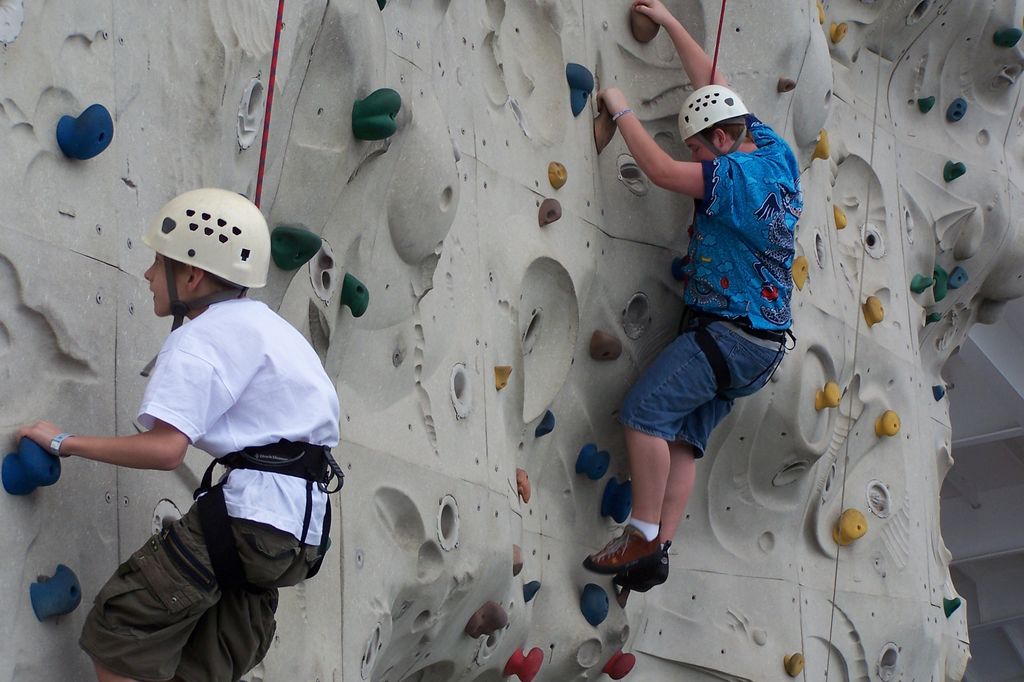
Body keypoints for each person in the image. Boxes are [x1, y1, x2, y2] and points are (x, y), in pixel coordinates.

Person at [16, 188, 343, 682]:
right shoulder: (274, 330)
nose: (148, 275)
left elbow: (167, 450)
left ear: (191, 274)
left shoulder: (199, 339)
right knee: (200, 667)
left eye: (157, 262)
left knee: (121, 632)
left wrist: (67, 442)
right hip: (300, 538)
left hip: (249, 522)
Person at [583, 0, 802, 583]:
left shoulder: (729, 178)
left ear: (724, 141)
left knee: (644, 415)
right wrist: (674, 23)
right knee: (682, 443)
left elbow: (656, 169)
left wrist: (620, 106)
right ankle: (660, 554)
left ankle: (642, 536)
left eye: (700, 148)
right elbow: (716, 85)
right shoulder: (774, 152)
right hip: (762, 345)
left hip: (726, 337)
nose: (693, 159)